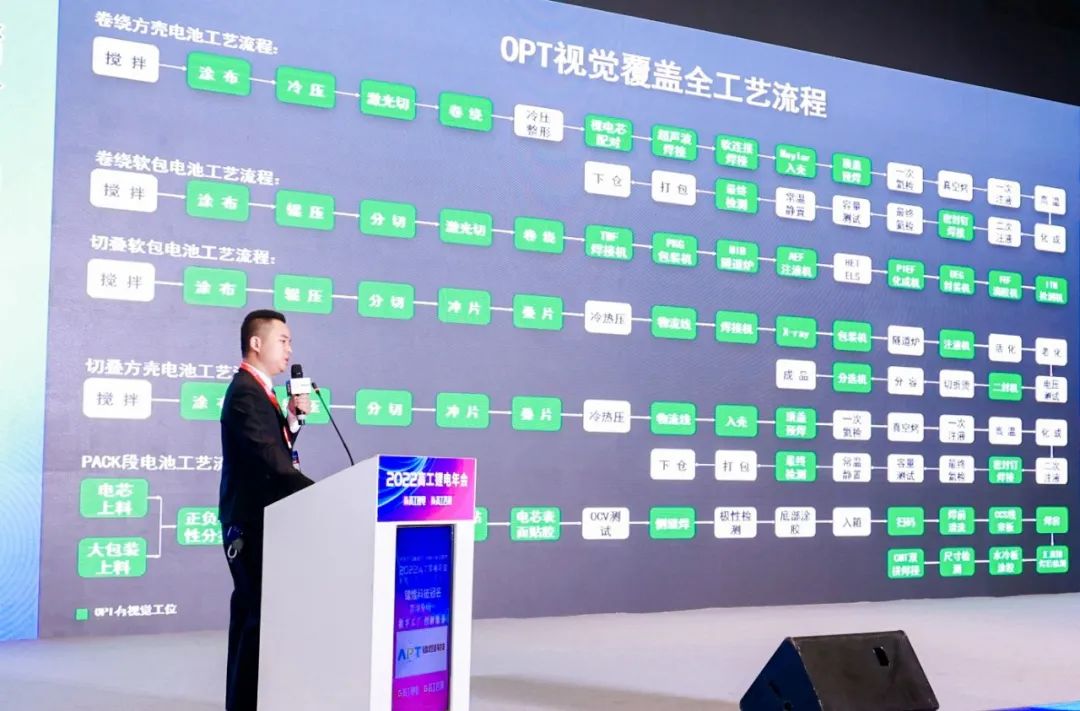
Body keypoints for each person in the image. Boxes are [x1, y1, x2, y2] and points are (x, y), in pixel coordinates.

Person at [219, 309, 314, 711]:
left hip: (263, 517)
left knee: (253, 613)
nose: (289, 349)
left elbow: (273, 450)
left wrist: (291, 421)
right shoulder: (246, 392)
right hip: (250, 521)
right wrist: (321, 492)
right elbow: (270, 462)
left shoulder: (261, 391)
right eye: (283, 340)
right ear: (256, 343)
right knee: (255, 615)